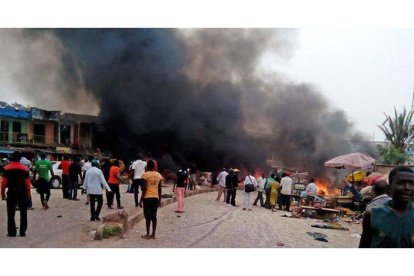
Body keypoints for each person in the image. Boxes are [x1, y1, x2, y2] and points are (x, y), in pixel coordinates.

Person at [359, 166, 414, 248]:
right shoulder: (372, 215)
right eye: (401, 183)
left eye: (412, 183)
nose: (407, 187)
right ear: (389, 188)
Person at [1, 151, 31, 237]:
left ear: (12, 158)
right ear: (20, 158)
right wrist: (28, 193)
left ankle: (12, 232)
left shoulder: (6, 168)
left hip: (11, 192)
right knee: (23, 212)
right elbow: (27, 183)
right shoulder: (25, 169)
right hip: (22, 192)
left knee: (10, 212)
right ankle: (22, 232)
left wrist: (2, 193)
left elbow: (3, 182)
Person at [139, 160, 163, 240]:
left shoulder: (145, 175)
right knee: (154, 216)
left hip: (147, 198)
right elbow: (159, 189)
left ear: (147, 167)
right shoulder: (159, 175)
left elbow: (144, 189)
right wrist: (160, 200)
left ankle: (147, 234)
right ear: (154, 166)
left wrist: (141, 200)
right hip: (155, 198)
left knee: (147, 217)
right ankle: (153, 234)